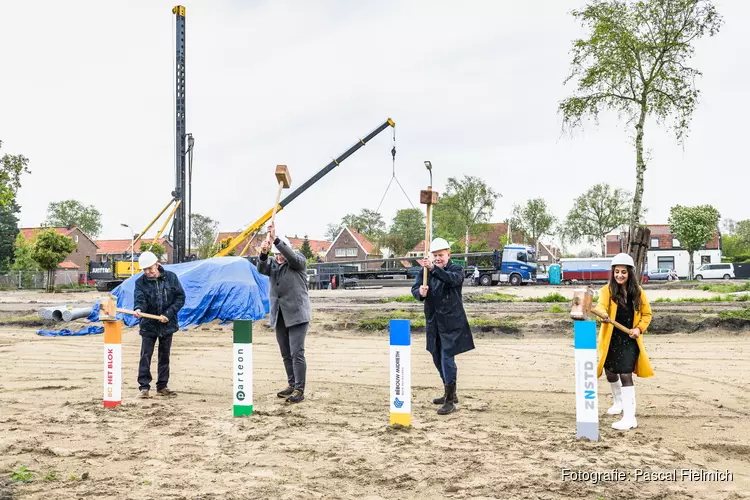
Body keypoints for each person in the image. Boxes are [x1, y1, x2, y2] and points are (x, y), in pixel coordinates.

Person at [411, 237, 474, 415]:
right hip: (433, 322)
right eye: (435, 255)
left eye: (441, 255)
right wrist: (420, 293)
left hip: (451, 322)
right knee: (436, 357)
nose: (438, 258)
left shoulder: (456, 269)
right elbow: (415, 289)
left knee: (447, 359)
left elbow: (451, 280)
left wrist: (432, 269)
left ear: (448, 254)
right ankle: (450, 393)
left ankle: (449, 401)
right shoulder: (425, 272)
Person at [594, 253, 654, 430]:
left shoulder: (638, 292)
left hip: (629, 339)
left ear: (630, 273)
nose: (619, 275)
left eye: (623, 272)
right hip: (611, 339)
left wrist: (639, 329)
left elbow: (647, 314)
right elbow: (601, 306)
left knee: (625, 374)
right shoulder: (606, 291)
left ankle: (630, 418)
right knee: (610, 372)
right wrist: (602, 315)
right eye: (616, 272)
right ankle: (618, 402)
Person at [257, 223, 311, 404]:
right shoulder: (272, 264)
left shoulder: (298, 261)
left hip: (297, 315)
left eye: (281, 253)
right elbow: (261, 268)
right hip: (279, 315)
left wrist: (276, 239)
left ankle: (299, 389)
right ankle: (291, 383)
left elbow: (292, 257)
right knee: (285, 353)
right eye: (276, 254)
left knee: (297, 353)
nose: (279, 257)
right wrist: (264, 252)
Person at [133, 251, 185, 399]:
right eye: (145, 270)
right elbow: (140, 300)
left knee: (164, 356)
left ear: (157, 264)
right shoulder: (140, 283)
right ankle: (144, 387)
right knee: (145, 355)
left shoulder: (171, 278)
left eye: (150, 268)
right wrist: (138, 309)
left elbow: (180, 298)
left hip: (167, 324)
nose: (148, 272)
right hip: (148, 324)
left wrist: (168, 314)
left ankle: (162, 386)